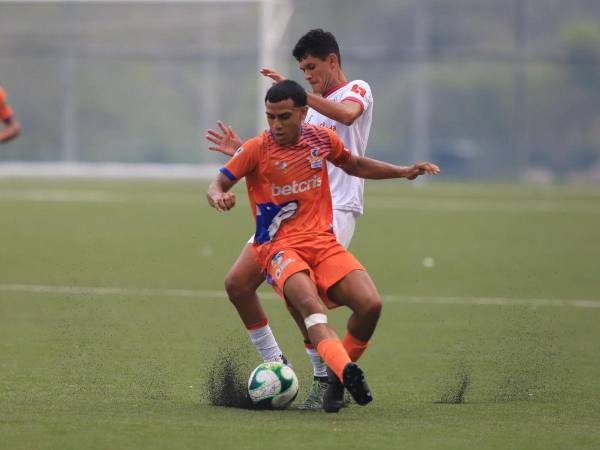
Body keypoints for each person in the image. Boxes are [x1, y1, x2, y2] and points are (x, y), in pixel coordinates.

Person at [206, 79, 439, 412]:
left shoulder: (321, 140)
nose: (275, 125)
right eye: (270, 117)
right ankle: (338, 373)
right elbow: (218, 182)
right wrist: (219, 196)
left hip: (323, 242)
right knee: (308, 305)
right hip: (279, 249)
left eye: (284, 117)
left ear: (303, 113)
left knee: (370, 304)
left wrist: (403, 172)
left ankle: (333, 379)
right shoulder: (257, 147)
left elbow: (355, 165)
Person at [206, 29, 375, 409]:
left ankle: (324, 378)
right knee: (237, 284)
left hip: (335, 211)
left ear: (332, 60)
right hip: (290, 215)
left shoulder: (355, 91)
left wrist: (299, 91)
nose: (308, 75)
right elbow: (284, 145)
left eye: (311, 68)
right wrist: (245, 155)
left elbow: (346, 117)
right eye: (302, 70)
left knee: (303, 299)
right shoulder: (308, 108)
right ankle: (276, 363)